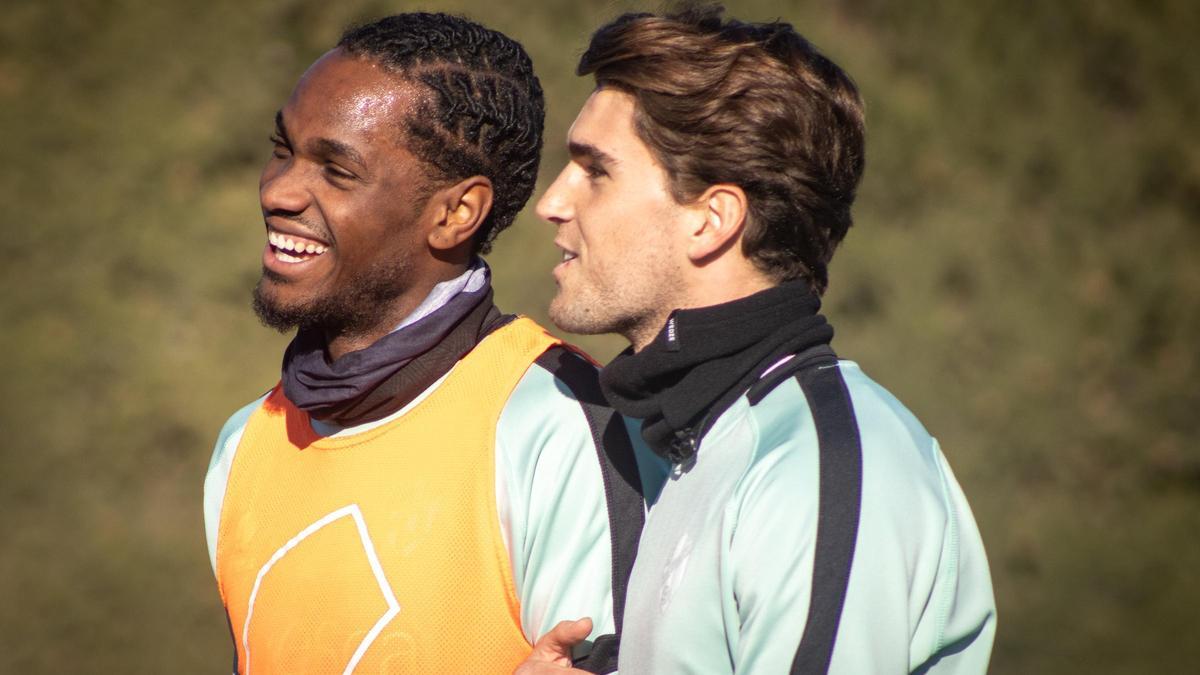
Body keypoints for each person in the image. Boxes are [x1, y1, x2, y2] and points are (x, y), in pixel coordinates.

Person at [521, 4, 996, 674]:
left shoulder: (817, 466)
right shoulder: (699, 440)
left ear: (711, 220)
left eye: (595, 169)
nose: (553, 201)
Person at [203, 13, 647, 674]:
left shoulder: (560, 427)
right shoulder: (243, 446)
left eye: (336, 170)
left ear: (455, 212)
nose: (279, 191)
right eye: (283, 149)